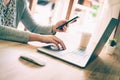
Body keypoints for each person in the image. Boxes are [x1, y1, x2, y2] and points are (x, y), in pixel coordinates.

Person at [0, 0, 68, 50]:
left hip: (7, 49)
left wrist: (54, 28)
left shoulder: (20, 2)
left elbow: (34, 27)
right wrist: (40, 38)